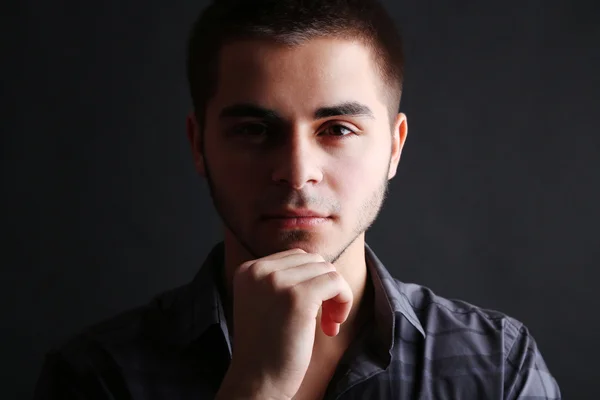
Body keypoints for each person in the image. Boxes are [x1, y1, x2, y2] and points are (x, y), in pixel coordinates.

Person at [34, 0, 561, 398]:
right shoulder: (99, 375)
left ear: (395, 148)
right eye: (253, 130)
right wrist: (255, 386)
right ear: (199, 145)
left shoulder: (494, 364)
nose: (296, 173)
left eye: (337, 128)